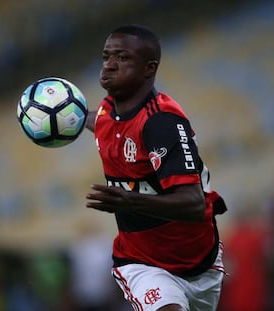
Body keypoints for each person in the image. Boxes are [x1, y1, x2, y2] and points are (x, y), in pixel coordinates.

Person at [85, 24, 227, 311]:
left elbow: (193, 204)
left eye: (123, 58)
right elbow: (98, 122)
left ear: (149, 69)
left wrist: (130, 201)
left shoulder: (161, 123)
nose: (109, 65)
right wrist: (66, 116)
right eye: (106, 56)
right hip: (141, 262)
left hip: (201, 264)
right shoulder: (106, 112)